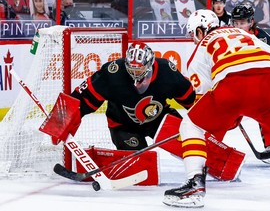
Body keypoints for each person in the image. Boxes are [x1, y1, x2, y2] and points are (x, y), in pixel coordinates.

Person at [163, 9, 270, 208]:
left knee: (191, 125)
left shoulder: (201, 48)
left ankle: (195, 184)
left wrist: (230, 114)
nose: (194, 39)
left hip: (231, 89)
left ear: (201, 31)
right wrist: (265, 99)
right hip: (268, 84)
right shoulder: (247, 35)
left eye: (194, 33)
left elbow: (202, 100)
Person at [43, 42, 196, 150]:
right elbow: (81, 98)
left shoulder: (166, 71)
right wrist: (59, 123)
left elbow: (190, 99)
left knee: (191, 142)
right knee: (139, 163)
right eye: (132, 69)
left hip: (160, 120)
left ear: (150, 64)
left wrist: (204, 123)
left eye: (139, 69)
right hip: (123, 126)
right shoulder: (113, 73)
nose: (135, 74)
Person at [231, 3, 270, 165]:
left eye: (243, 23)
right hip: (236, 82)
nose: (239, 26)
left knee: (266, 112)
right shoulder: (228, 37)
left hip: (261, 82)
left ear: (251, 22)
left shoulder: (264, 38)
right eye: (236, 23)